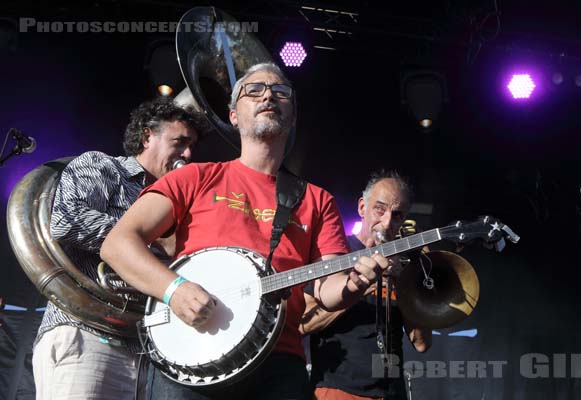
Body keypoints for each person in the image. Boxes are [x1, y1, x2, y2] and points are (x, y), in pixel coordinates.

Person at [99, 62, 390, 400]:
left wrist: (356, 283)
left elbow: (328, 290)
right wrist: (174, 290)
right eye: (254, 90)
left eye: (281, 93)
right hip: (191, 354)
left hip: (278, 363)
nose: (268, 95)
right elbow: (118, 244)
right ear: (234, 115)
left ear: (293, 117)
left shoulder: (316, 198)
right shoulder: (194, 177)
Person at [32, 97, 206, 400]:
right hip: (86, 335)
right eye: (179, 142)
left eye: (192, 145)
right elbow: (66, 220)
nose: (187, 154)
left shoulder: (178, 203)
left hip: (148, 350)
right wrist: (149, 245)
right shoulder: (103, 166)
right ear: (147, 136)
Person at [301, 171, 433, 400]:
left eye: (398, 215)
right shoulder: (335, 253)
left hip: (392, 392)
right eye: (380, 209)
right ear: (362, 208)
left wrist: (406, 286)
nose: (387, 222)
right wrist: (364, 285)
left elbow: (421, 344)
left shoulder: (403, 266)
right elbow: (304, 323)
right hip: (338, 389)